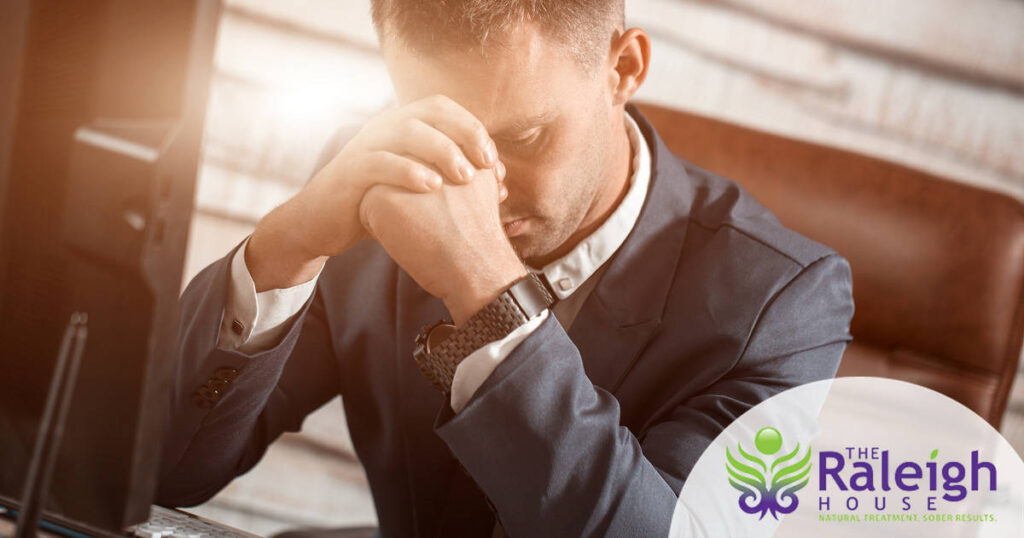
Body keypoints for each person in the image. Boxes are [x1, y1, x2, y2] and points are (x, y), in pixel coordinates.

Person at [156, 1, 854, 536]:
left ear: (624, 70)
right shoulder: (386, 173)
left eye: (524, 137)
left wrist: (488, 292)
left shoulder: (784, 304)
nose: (477, 185)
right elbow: (168, 469)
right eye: (435, 118)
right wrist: (284, 247)